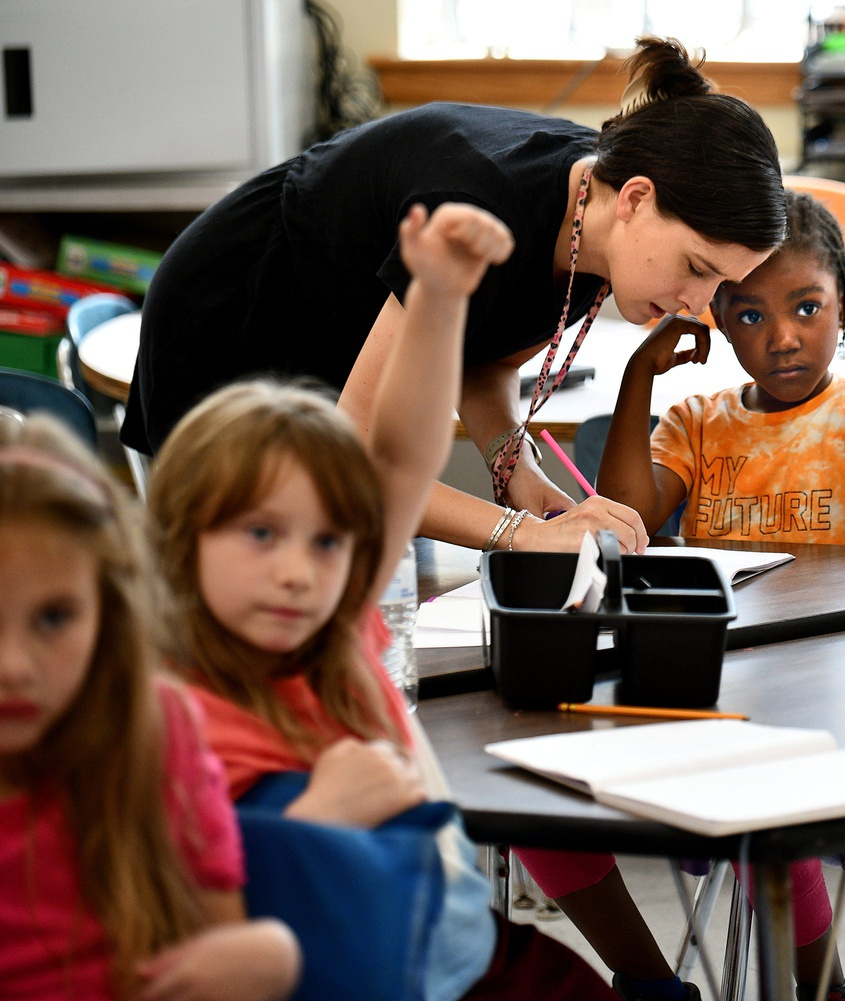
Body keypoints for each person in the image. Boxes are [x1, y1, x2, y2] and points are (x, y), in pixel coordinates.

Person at [147, 200, 621, 1001]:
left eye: (328, 540)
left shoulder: (334, 621)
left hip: (465, 959)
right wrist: (316, 821)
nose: (301, 570)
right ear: (183, 540)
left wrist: (437, 298)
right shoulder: (163, 705)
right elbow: (181, 923)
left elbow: (400, 456)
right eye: (261, 534)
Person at [124, 36, 785, 558]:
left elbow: (485, 354)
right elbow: (360, 453)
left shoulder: (598, 222)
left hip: (338, 336)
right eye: (696, 267)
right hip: (241, 309)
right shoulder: (479, 205)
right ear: (638, 198)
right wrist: (520, 532)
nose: (698, 303)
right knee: (247, 582)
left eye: (719, 284)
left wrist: (516, 468)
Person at [0, 413, 300, 1001]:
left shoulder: (158, 729)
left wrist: (266, 962)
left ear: (108, 614)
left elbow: (221, 946)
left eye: (55, 618)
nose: (14, 666)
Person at [596, 189, 845, 555]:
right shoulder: (696, 425)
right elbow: (625, 521)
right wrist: (638, 372)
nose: (783, 340)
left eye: (807, 308)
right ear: (721, 320)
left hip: (844, 613)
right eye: (751, 317)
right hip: (737, 615)